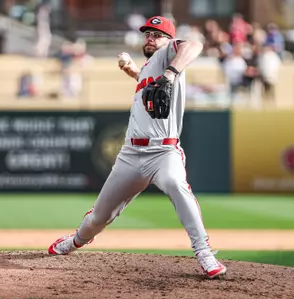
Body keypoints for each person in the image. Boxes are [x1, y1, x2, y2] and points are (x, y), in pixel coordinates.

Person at [48, 16, 227, 280]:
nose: (150, 38)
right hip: (130, 155)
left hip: (164, 152)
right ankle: (75, 241)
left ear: (168, 39)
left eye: (156, 34)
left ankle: (204, 253)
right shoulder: (149, 67)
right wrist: (134, 72)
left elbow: (195, 45)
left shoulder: (170, 54)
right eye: (147, 34)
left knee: (176, 185)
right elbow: (148, 83)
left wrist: (170, 74)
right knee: (99, 217)